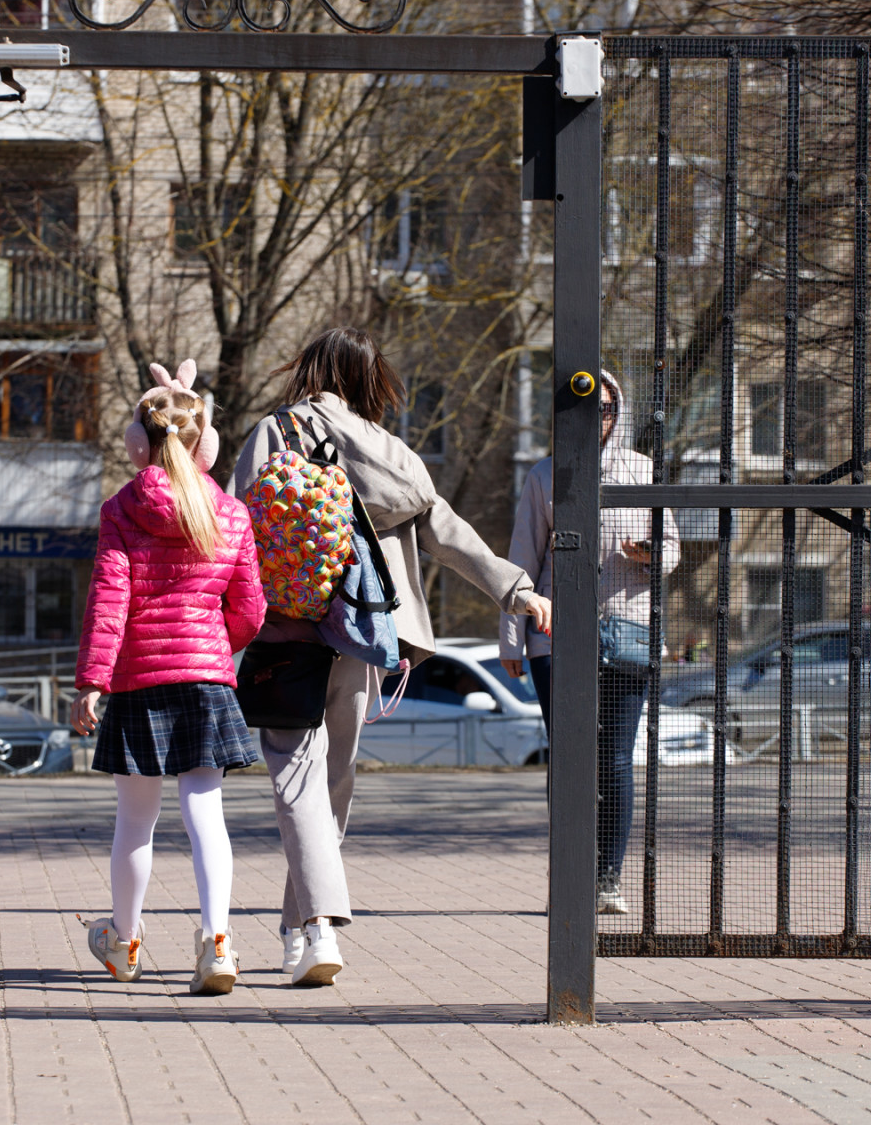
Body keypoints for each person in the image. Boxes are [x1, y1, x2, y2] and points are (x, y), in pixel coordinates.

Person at [230, 326, 554, 985]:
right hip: (365, 629)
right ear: (369, 381)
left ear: (313, 372)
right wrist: (515, 588)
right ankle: (301, 928)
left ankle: (315, 929)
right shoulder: (399, 457)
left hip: (290, 627)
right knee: (335, 780)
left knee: (296, 777)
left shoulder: (276, 432)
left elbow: (237, 527)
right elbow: (447, 532)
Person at [71, 362, 266, 996]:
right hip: (207, 681)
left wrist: (91, 681)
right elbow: (251, 609)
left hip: (137, 681)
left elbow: (110, 601)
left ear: (140, 441)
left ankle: (124, 943)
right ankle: (217, 943)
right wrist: (214, 648)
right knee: (205, 811)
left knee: (136, 821)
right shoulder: (231, 514)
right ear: (204, 441)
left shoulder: (123, 508)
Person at [499, 370, 678, 915]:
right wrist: (511, 640)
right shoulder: (545, 475)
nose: (594, 418)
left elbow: (672, 550)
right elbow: (520, 562)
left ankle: (607, 879)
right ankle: (571, 878)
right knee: (569, 760)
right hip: (558, 636)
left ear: (617, 411)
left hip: (628, 630)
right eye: (583, 409)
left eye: (603, 408)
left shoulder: (643, 472)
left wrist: (648, 553)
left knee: (617, 761)